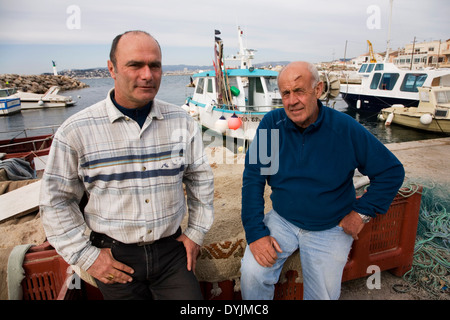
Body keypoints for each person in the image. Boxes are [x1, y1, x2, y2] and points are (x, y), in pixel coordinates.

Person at [40, 30, 214, 300]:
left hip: (173, 255)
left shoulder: (182, 122)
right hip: (115, 256)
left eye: (154, 65)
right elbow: (56, 201)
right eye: (135, 65)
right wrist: (86, 257)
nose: (147, 75)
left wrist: (196, 233)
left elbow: (199, 178)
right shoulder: (75, 131)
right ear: (112, 68)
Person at [240, 61, 405, 300]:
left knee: (323, 296)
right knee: (252, 273)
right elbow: (253, 178)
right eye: (286, 93)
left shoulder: (345, 128)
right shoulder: (271, 125)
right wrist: (255, 233)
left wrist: (361, 213)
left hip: (330, 225)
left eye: (299, 91)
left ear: (317, 90)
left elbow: (391, 171)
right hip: (282, 220)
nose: (292, 101)